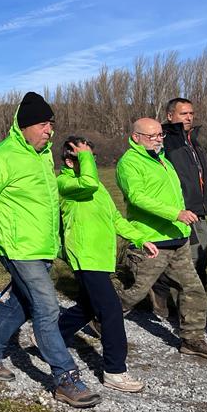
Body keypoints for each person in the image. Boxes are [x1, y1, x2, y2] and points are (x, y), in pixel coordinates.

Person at [0, 91, 101, 408]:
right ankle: (65, 378)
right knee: (48, 309)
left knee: (21, 304)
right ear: (23, 126)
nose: (49, 130)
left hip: (41, 248)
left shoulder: (42, 157)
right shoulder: (0, 158)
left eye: (50, 124)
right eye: (42, 124)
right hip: (18, 249)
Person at [56, 136, 159, 393]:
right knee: (111, 309)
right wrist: (85, 158)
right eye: (85, 157)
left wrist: (140, 238)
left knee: (88, 306)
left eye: (92, 156)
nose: (92, 161)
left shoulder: (96, 185)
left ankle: (52, 336)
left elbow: (114, 218)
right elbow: (88, 184)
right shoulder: (65, 183)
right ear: (70, 160)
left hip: (101, 256)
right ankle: (115, 371)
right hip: (83, 255)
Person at [115, 118, 207, 360]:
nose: (157, 140)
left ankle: (192, 340)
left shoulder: (163, 160)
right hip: (152, 240)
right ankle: (99, 316)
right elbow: (137, 197)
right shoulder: (129, 163)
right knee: (134, 292)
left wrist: (183, 217)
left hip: (178, 238)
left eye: (160, 135)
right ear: (136, 137)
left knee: (193, 288)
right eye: (151, 136)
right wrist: (175, 214)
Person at [151, 97, 207, 316]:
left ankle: (180, 300)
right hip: (181, 211)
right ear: (170, 116)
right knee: (190, 261)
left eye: (191, 114)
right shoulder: (166, 141)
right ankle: (187, 310)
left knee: (201, 258)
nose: (189, 117)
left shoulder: (192, 140)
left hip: (200, 209)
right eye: (183, 113)